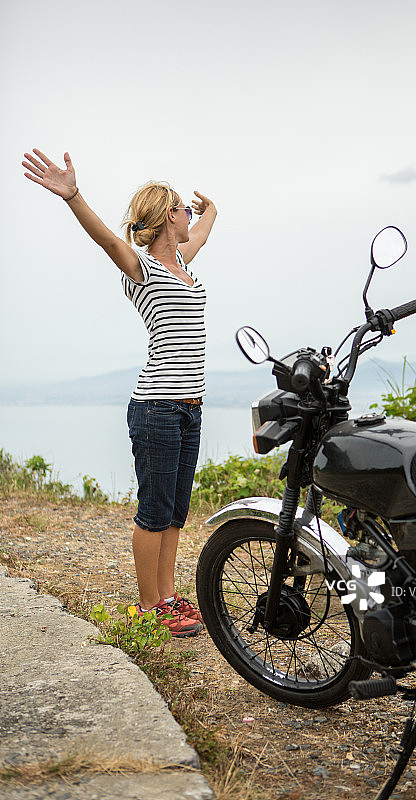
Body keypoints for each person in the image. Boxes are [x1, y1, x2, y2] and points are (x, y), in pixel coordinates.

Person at [22, 148, 217, 637]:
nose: (190, 216)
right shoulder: (143, 267)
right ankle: (149, 605)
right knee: (154, 511)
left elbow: (202, 231)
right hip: (156, 407)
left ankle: (169, 597)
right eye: (185, 210)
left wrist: (210, 211)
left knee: (175, 510)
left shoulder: (183, 265)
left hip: (190, 408)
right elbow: (107, 238)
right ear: (169, 216)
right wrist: (73, 195)